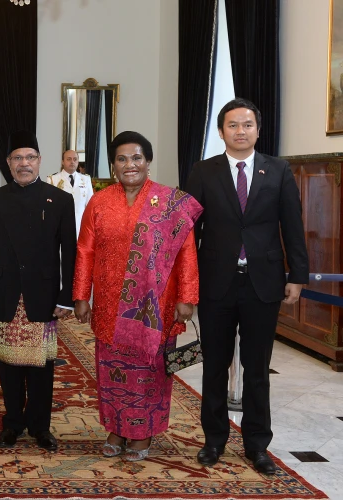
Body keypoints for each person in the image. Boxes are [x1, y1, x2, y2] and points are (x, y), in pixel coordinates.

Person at [186, 98, 308, 475]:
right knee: (215, 366)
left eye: (247, 124)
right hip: (215, 283)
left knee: (257, 368)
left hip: (263, 283)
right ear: (221, 131)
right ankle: (214, 440)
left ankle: (257, 445)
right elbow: (190, 234)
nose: (241, 131)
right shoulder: (203, 172)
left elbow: (292, 224)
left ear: (258, 129)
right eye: (233, 125)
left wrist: (298, 275)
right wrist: (186, 287)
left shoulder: (278, 170)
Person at [73, 131, 201, 462]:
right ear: (113, 164)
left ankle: (142, 433)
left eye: (137, 157)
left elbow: (186, 252)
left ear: (148, 161)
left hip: (154, 306)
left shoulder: (170, 201)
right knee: (111, 368)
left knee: (150, 370)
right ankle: (116, 428)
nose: (130, 164)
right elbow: (85, 250)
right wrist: (80, 295)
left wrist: (188, 296)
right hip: (110, 304)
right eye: (122, 158)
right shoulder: (99, 202)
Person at [0, 130, 76, 451]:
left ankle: (40, 426)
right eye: (17, 158)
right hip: (6, 295)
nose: (24, 164)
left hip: (43, 296)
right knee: (8, 366)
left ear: (39, 161)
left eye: (30, 158)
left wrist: (67, 297)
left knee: (41, 367)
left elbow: (70, 252)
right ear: (8, 163)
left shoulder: (61, 199)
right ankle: (12, 424)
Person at [45, 149, 94, 235]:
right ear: (62, 162)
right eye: (69, 159)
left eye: (75, 159)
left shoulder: (85, 179)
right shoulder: (53, 179)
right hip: (60, 227)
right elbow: (49, 209)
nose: (72, 162)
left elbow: (90, 206)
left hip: (81, 227)